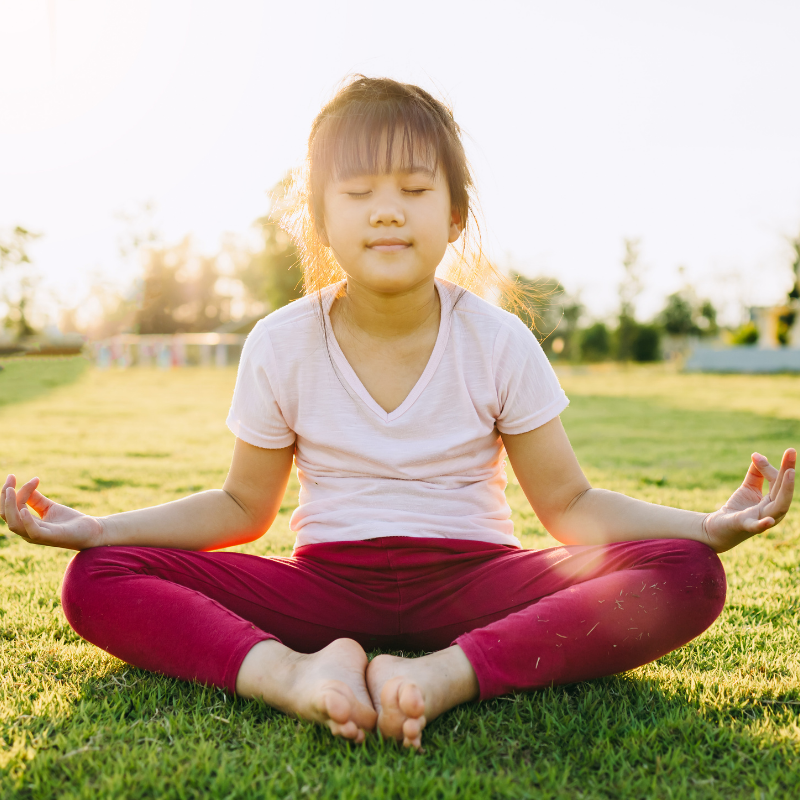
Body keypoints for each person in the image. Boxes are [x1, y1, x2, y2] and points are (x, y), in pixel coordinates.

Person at [2, 77, 795, 751]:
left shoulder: (497, 339)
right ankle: (294, 673)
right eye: (359, 192)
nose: (388, 211)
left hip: (479, 582)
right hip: (324, 591)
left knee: (688, 576)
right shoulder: (280, 342)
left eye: (415, 190)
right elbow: (244, 507)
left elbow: (570, 507)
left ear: (453, 216)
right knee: (96, 580)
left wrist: (702, 528)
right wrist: (101, 530)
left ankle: (446, 674)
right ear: (319, 218)